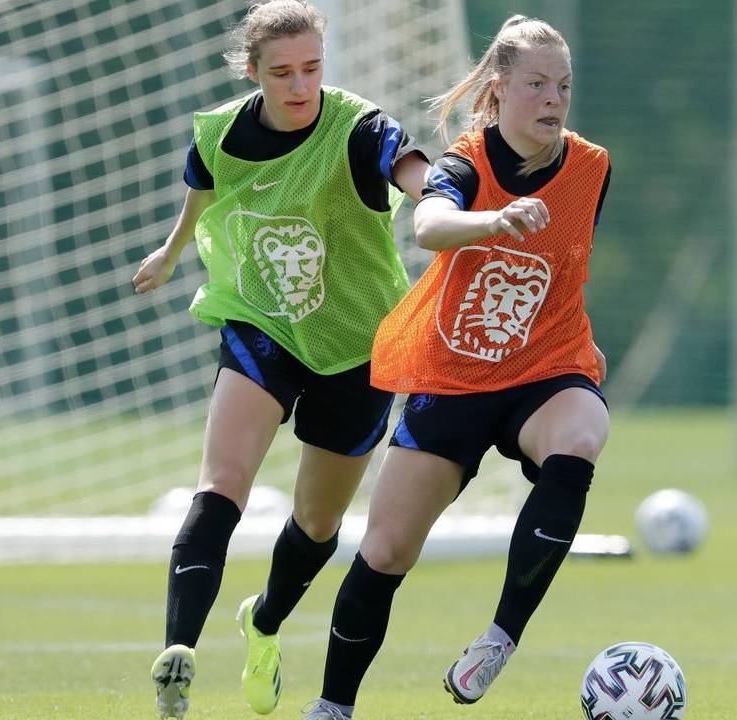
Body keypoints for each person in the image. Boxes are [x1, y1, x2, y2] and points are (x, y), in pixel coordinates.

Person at [300, 15, 612, 719]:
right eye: (535, 84)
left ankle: (502, 636)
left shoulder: (592, 167)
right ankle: (333, 706)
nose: (553, 99)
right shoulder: (464, 164)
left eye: (563, 85)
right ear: (497, 90)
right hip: (454, 377)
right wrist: (492, 222)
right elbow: (428, 225)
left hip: (546, 367)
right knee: (384, 552)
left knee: (582, 435)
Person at [130, 2, 428, 718]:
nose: (301, 87)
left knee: (318, 524)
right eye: (283, 73)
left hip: (359, 344)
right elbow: (203, 192)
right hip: (260, 321)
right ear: (253, 72)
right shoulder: (220, 132)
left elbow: (414, 170)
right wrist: (171, 255)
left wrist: (444, 198)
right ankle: (179, 654)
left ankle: (262, 623)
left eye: (313, 69)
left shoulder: (358, 126)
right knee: (222, 481)